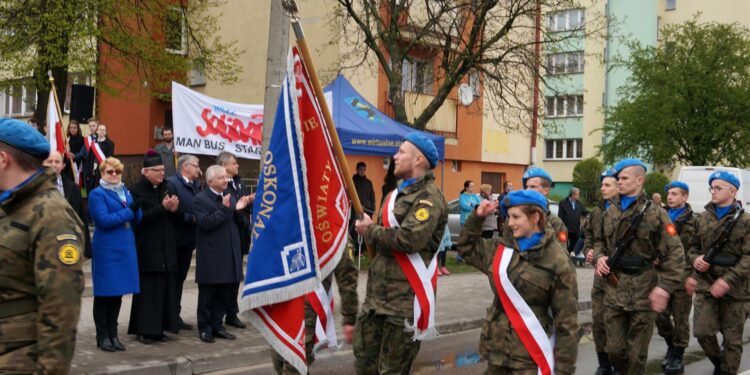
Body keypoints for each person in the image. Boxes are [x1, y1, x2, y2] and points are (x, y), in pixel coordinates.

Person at [353, 132, 448, 374]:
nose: (395, 156)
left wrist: (369, 230)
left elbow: (410, 239)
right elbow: (382, 241)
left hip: (404, 304)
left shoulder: (430, 198)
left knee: (391, 371)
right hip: (376, 300)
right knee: (364, 365)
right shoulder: (392, 195)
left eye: (401, 152)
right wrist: (370, 230)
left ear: (418, 159)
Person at [456, 189, 578, 374]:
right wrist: (477, 217)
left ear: (535, 217)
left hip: (529, 358)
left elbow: (567, 322)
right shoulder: (501, 248)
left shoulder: (557, 260)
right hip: (496, 353)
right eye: (509, 217)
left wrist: (563, 370)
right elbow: (466, 248)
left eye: (516, 217)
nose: (509, 223)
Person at [0, 118, 84, 373]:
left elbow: (61, 309)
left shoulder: (51, 215)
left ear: (3, 159)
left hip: (19, 361)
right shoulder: (11, 207)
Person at [593, 158, 686, 374]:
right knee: (614, 350)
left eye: (624, 178)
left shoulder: (656, 214)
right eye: (618, 179)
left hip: (644, 290)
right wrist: (599, 257)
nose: (620, 182)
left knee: (636, 356)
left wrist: (664, 287)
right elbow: (599, 242)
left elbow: (675, 254)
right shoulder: (610, 212)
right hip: (614, 289)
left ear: (639, 180)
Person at [684, 171, 750, 374]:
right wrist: (696, 259)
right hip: (706, 283)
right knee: (702, 332)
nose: (713, 191)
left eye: (718, 188)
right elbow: (692, 247)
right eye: (712, 188)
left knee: (732, 341)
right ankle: (720, 365)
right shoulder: (701, 218)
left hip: (736, 289)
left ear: (732, 191)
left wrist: (728, 280)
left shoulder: (746, 221)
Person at [271, 241, 360, 374]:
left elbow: (347, 276)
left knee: (294, 365)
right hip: (282, 302)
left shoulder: (332, 225)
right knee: (278, 358)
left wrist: (349, 318)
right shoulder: (287, 220)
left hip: (309, 306)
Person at [88, 157, 141, 352]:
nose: (114, 175)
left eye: (117, 172)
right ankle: (102, 336)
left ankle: (114, 334)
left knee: (117, 294)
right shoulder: (97, 194)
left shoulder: (125, 191)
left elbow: (136, 218)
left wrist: (138, 209)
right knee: (104, 294)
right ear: (102, 173)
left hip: (125, 247)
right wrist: (130, 212)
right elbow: (103, 220)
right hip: (107, 249)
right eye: (110, 172)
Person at [127, 151, 181, 343]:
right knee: (148, 293)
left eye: (163, 170)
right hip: (147, 248)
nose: (161, 173)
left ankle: (159, 329)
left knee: (164, 291)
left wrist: (175, 210)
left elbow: (177, 217)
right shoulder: (136, 191)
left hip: (166, 248)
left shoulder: (168, 187)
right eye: (157, 170)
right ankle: (143, 330)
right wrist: (163, 208)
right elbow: (140, 221)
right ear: (146, 172)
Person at [193, 165, 251, 343]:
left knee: (224, 295)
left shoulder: (230, 197)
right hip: (212, 256)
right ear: (210, 181)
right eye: (221, 178)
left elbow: (239, 225)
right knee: (208, 296)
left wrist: (240, 210)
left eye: (226, 177)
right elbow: (205, 223)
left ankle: (218, 326)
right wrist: (225, 209)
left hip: (230, 254)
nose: (225, 180)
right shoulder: (200, 199)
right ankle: (205, 328)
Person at [656, 180, 697, 374]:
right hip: (661, 275)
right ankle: (671, 345)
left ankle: (678, 355)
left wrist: (694, 276)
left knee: (681, 317)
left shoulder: (694, 221)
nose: (670, 197)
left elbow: (698, 250)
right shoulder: (659, 216)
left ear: (685, 197)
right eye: (669, 194)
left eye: (674, 194)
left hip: (683, 275)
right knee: (660, 316)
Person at [584, 168, 618, 375]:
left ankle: (618, 363)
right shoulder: (596, 212)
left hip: (620, 277)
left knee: (616, 322)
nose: (602, 189)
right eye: (602, 185)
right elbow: (589, 237)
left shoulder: (626, 212)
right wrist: (589, 251)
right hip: (600, 275)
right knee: (598, 321)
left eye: (608, 185)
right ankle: (603, 362)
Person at [216, 151, 254, 329]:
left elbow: (246, 205)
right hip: (226, 236)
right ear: (224, 166)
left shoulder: (239, 183)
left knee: (236, 276)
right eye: (234, 163)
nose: (237, 165)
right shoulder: (221, 185)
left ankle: (232, 312)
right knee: (226, 276)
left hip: (241, 234)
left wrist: (250, 200)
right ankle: (221, 312)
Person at [167, 154, 203, 330]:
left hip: (189, 240)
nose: (199, 168)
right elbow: (172, 212)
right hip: (176, 239)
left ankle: (176, 314)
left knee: (180, 279)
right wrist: (191, 218)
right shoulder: (173, 183)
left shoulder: (197, 185)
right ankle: (169, 316)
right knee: (173, 279)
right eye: (196, 165)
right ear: (185, 167)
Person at [44, 150, 92, 258]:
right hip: (44, 247)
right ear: (43, 164)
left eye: (57, 162)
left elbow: (81, 218)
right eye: (50, 161)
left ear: (63, 165)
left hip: (68, 248)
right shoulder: (35, 187)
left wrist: (86, 250)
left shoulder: (73, 188)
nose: (53, 165)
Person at [521, 167, 568, 246]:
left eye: (532, 187)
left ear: (545, 191)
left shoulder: (555, 222)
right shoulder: (516, 217)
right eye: (526, 187)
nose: (527, 190)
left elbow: (562, 254)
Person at [79, 123, 115, 193]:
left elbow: (110, 159)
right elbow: (89, 158)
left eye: (103, 130)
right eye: (100, 129)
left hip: (102, 171)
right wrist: (88, 171)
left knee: (100, 190)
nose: (102, 131)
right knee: (91, 190)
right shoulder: (93, 143)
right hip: (92, 170)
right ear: (97, 131)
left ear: (105, 132)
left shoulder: (110, 143)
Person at [351, 161, 376, 250]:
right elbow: (349, 194)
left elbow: (372, 196)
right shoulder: (352, 181)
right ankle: (355, 249)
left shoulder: (368, 182)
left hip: (367, 210)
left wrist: (372, 208)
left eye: (364, 170)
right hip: (356, 210)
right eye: (360, 169)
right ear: (357, 170)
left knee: (366, 229)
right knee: (355, 230)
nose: (362, 171)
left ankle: (365, 249)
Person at [559, 187, 588, 255]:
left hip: (575, 229)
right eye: (577, 194)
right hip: (565, 228)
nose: (578, 196)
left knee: (573, 246)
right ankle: (564, 257)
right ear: (572, 194)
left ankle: (569, 258)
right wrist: (561, 227)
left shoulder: (579, 204)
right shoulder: (563, 203)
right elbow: (560, 216)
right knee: (563, 245)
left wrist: (589, 215)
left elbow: (585, 212)